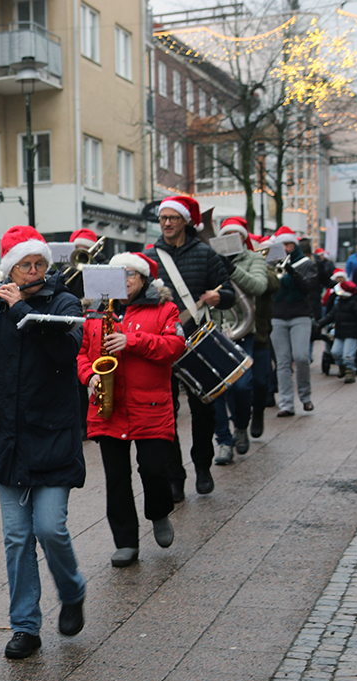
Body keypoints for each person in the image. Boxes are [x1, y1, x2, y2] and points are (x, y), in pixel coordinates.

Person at [0, 226, 87, 660]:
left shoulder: (63, 301)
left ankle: (72, 589)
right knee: (16, 537)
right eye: (24, 265)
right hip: (7, 437)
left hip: (52, 433)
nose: (33, 271)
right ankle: (25, 626)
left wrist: (20, 309)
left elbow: (64, 352)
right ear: (10, 268)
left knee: (50, 528)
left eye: (39, 264)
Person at [78, 252, 185, 567]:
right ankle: (125, 542)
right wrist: (89, 375)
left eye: (131, 274)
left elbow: (176, 346)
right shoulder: (95, 312)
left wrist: (132, 341)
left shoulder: (165, 309)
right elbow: (81, 353)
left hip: (150, 405)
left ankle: (159, 513)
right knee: (116, 478)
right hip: (108, 406)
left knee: (154, 469)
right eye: (119, 274)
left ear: (144, 279)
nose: (124, 280)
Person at [144, 195, 234, 499]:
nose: (167, 223)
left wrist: (219, 297)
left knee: (203, 410)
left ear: (185, 221)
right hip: (162, 343)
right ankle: (175, 476)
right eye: (163, 218)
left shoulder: (206, 253)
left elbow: (229, 291)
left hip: (198, 341)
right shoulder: (150, 256)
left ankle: (203, 466)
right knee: (166, 413)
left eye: (173, 218)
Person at [210, 217, 268, 466]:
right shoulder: (210, 258)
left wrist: (231, 269)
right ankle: (224, 441)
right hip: (214, 331)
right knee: (216, 390)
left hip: (242, 330)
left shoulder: (254, 259)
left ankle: (241, 426)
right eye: (226, 234)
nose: (231, 238)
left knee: (243, 386)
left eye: (236, 234)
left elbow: (259, 286)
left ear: (244, 237)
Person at [269, 227, 318, 418]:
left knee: (302, 357)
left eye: (289, 244)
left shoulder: (307, 264)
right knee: (282, 362)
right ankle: (286, 403)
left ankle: (305, 397)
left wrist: (293, 272)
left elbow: (308, 288)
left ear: (295, 245)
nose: (286, 248)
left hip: (300, 315)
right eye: (282, 245)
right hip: (277, 316)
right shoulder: (271, 264)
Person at [249, 242, 282, 439]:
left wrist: (257, 264)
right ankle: (240, 424)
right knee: (238, 386)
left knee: (261, 382)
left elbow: (273, 284)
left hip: (259, 333)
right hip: (234, 333)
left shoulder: (262, 266)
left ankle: (258, 411)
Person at [319, 280, 357, 384]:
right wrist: (320, 324)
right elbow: (330, 315)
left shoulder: (355, 304)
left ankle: (350, 371)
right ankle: (342, 366)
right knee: (335, 352)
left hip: (352, 333)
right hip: (340, 332)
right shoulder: (339, 303)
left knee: (348, 354)